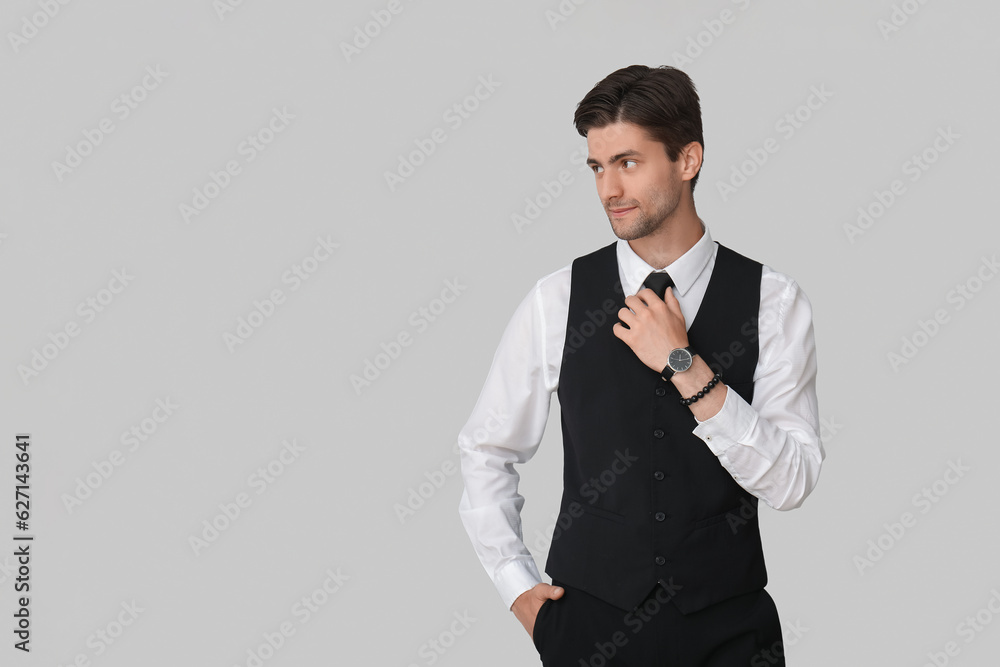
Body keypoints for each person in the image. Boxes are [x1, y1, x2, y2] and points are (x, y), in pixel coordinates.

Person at [457, 64, 824, 666]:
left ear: (688, 160)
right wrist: (517, 587)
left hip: (729, 636)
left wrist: (685, 365)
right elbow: (486, 449)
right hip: (587, 631)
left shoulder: (774, 301)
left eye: (628, 163)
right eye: (597, 168)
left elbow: (792, 481)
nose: (608, 190)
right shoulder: (556, 300)